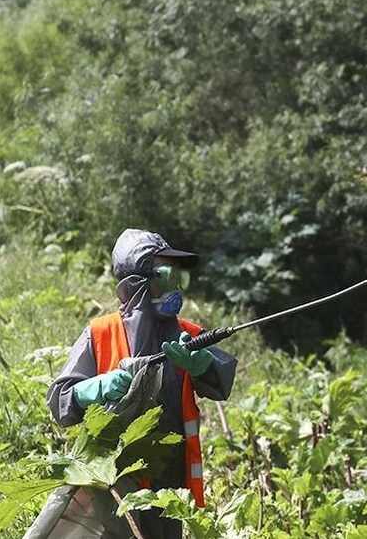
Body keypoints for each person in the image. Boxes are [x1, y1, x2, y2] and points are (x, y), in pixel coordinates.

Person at [47, 228, 237, 539]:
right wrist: (96, 388)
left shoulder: (189, 333)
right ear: (135, 284)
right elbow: (60, 401)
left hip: (172, 478)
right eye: (164, 275)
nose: (174, 285)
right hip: (118, 479)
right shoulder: (100, 333)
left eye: (178, 277)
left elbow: (221, 381)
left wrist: (202, 364)